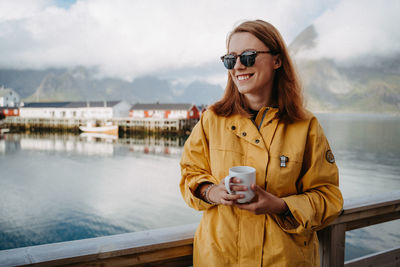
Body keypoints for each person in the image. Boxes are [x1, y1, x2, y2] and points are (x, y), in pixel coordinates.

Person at [179, 19, 343, 267]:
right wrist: (211, 192)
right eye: (230, 59)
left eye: (248, 56)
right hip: (218, 259)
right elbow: (189, 173)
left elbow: (329, 198)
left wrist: (280, 205)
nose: (237, 66)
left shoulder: (306, 126)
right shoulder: (211, 120)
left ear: (277, 60)